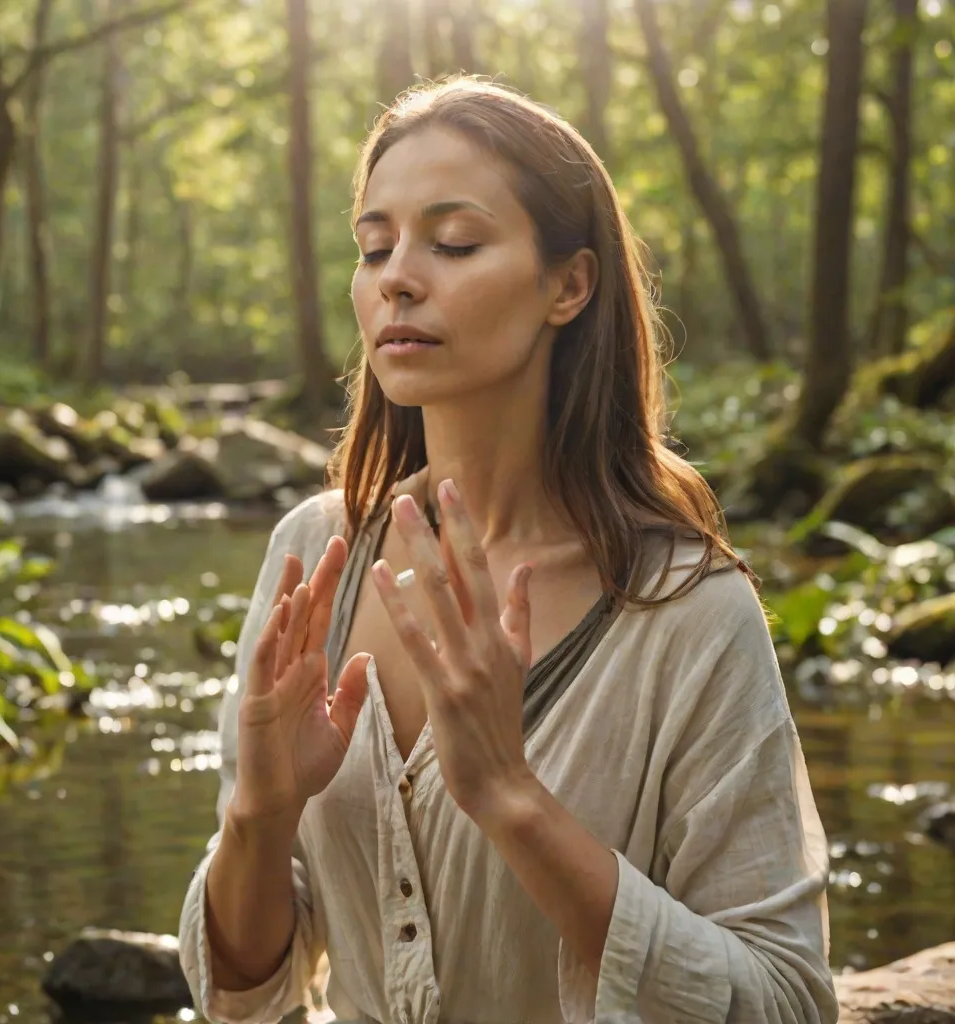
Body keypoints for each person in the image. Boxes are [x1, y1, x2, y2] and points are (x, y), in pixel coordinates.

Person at [179, 78, 839, 1024]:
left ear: (568, 285)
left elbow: (786, 1003)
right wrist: (259, 811)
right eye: (375, 247)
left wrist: (508, 795)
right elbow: (240, 995)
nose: (398, 276)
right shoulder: (314, 549)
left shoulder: (686, 613)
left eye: (453, 243)